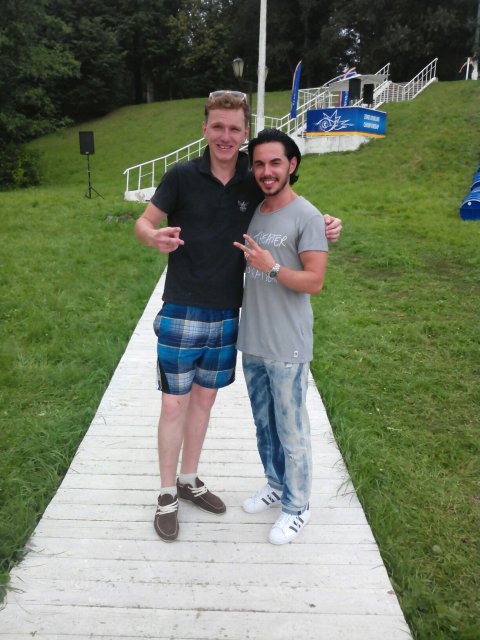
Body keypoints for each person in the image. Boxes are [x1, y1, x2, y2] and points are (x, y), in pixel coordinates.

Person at [134, 92, 342, 542]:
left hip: (229, 313)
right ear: (205, 128)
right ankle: (167, 494)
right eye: (217, 127)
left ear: (244, 133)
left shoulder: (253, 177)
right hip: (182, 307)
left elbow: (287, 203)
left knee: (204, 402)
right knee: (173, 404)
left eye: (234, 129)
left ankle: (189, 480)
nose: (225, 136)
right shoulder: (181, 175)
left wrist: (324, 224)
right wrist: (153, 238)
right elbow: (143, 223)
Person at [233, 128, 328, 545]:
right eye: (259, 164)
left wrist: (271, 267)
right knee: (264, 426)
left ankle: (297, 505)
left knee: (292, 431)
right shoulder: (254, 210)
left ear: (292, 164)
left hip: (288, 343)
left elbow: (315, 281)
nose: (266, 171)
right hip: (253, 340)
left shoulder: (308, 216)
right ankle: (275, 484)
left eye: (275, 162)